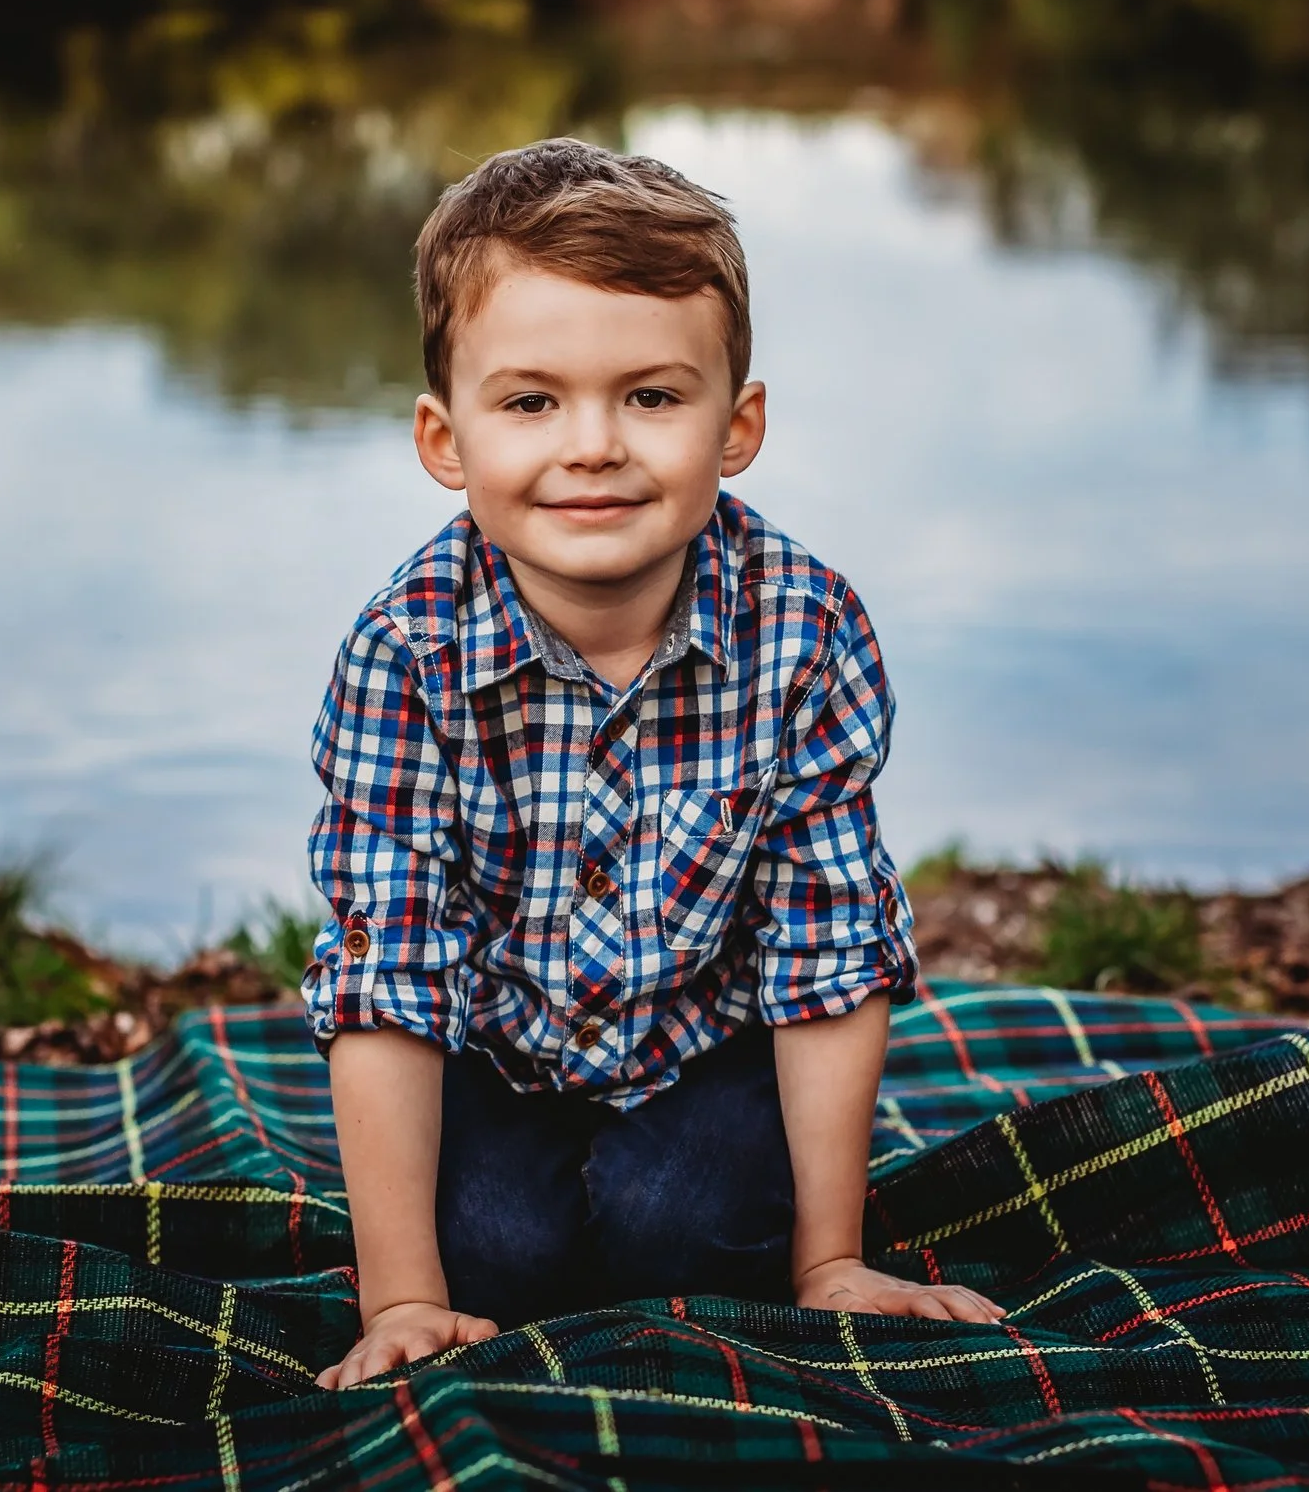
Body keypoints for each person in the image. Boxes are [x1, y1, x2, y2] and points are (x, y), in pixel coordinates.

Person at [306, 139, 1001, 1390]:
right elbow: (388, 967)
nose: (593, 446)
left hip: (704, 1047)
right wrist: (399, 1294)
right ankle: (452, 1258)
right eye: (529, 401)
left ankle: (760, 1231)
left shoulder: (804, 628)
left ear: (736, 427)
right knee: (490, 1258)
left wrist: (830, 1261)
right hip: (498, 1049)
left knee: (684, 1233)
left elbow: (828, 943)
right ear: (443, 438)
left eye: (651, 397)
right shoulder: (405, 650)